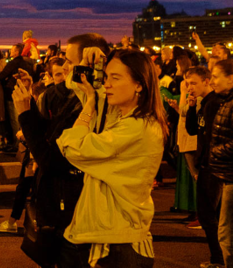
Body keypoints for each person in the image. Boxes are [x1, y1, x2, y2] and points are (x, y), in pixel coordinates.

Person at [17, 48, 168, 267]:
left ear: (139, 84)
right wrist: (88, 66)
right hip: (106, 236)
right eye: (106, 76)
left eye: (115, 78)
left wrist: (87, 106)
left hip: (116, 244)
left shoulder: (135, 128)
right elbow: (78, 85)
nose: (107, 84)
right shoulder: (126, 117)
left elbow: (70, 145)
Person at [184, 66, 225, 268]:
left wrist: (207, 164)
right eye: (187, 83)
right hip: (208, 166)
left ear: (206, 81)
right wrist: (191, 107)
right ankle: (219, 258)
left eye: (193, 83)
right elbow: (192, 130)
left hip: (212, 167)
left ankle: (218, 259)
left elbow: (213, 138)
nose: (189, 87)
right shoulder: (203, 104)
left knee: (209, 216)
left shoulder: (214, 104)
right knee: (212, 215)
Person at [209, 59, 233, 268]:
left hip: (231, 175)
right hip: (226, 174)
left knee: (226, 232)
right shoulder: (225, 100)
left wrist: (215, 151)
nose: (212, 81)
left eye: (216, 76)